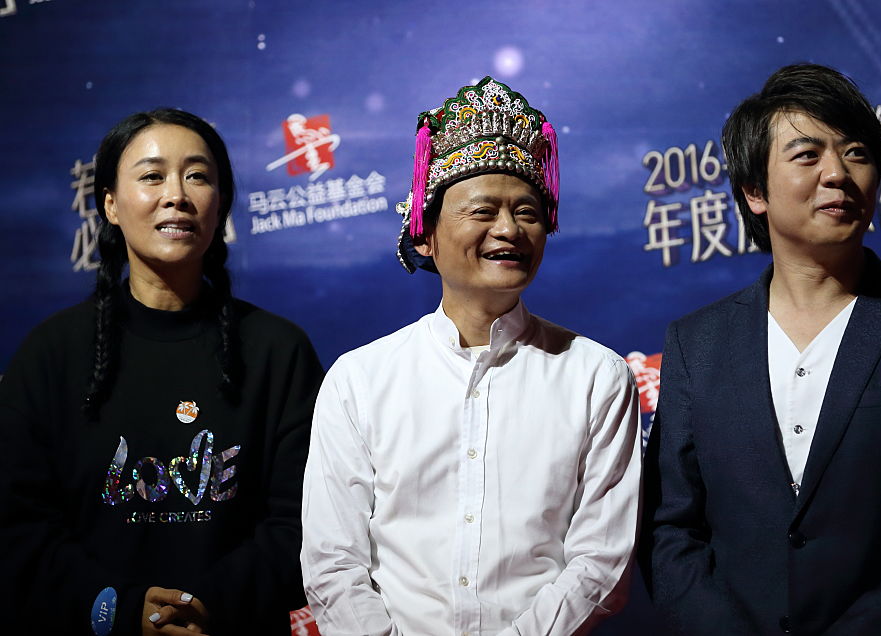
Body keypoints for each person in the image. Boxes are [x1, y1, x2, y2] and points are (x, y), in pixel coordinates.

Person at [639, 64, 881, 635]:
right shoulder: (696, 342)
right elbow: (670, 529)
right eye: (807, 155)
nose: (838, 173)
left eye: (857, 153)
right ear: (754, 192)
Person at [301, 77, 642, 636]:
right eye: (482, 210)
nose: (508, 229)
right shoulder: (359, 380)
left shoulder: (596, 376)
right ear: (425, 234)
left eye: (527, 211)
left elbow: (601, 563)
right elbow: (333, 563)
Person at [0, 108, 323, 635]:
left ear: (221, 203)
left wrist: (203, 605)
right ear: (110, 203)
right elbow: (18, 529)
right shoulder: (50, 355)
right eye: (152, 176)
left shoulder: (277, 351)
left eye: (197, 176)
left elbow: (302, 523)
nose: (176, 195)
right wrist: (122, 610)